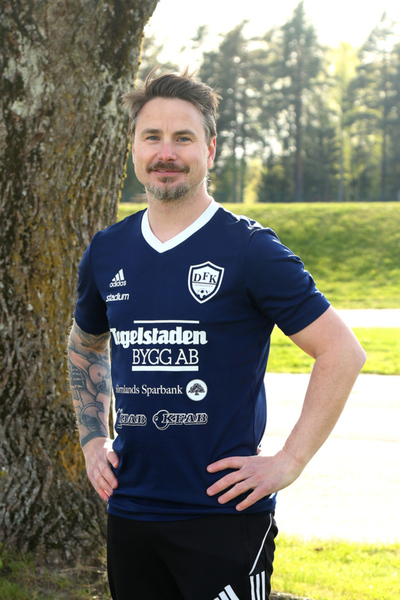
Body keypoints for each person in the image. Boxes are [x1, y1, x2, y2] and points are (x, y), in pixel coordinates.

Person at [68, 68, 366, 600]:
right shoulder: (107, 250)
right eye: (152, 137)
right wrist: (92, 440)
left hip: (224, 516)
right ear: (134, 149)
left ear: (210, 149)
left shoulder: (250, 249)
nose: (166, 152)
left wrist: (289, 461)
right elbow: (86, 343)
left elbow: (341, 351)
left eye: (183, 138)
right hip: (131, 510)